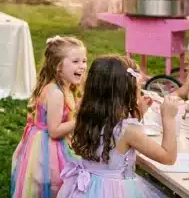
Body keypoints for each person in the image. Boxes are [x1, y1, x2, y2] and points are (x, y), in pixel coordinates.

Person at [58, 55, 177, 197]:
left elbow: (113, 138)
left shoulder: (86, 117)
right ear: (127, 93)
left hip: (87, 188)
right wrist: (168, 119)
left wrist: (137, 115)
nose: (140, 93)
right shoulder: (128, 130)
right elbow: (168, 158)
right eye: (138, 89)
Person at [11, 36, 87, 198]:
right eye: (75, 62)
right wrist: (82, 119)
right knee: (52, 183)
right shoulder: (55, 93)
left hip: (51, 142)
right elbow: (54, 130)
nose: (82, 66)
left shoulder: (67, 86)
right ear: (58, 66)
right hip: (47, 147)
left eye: (84, 61)